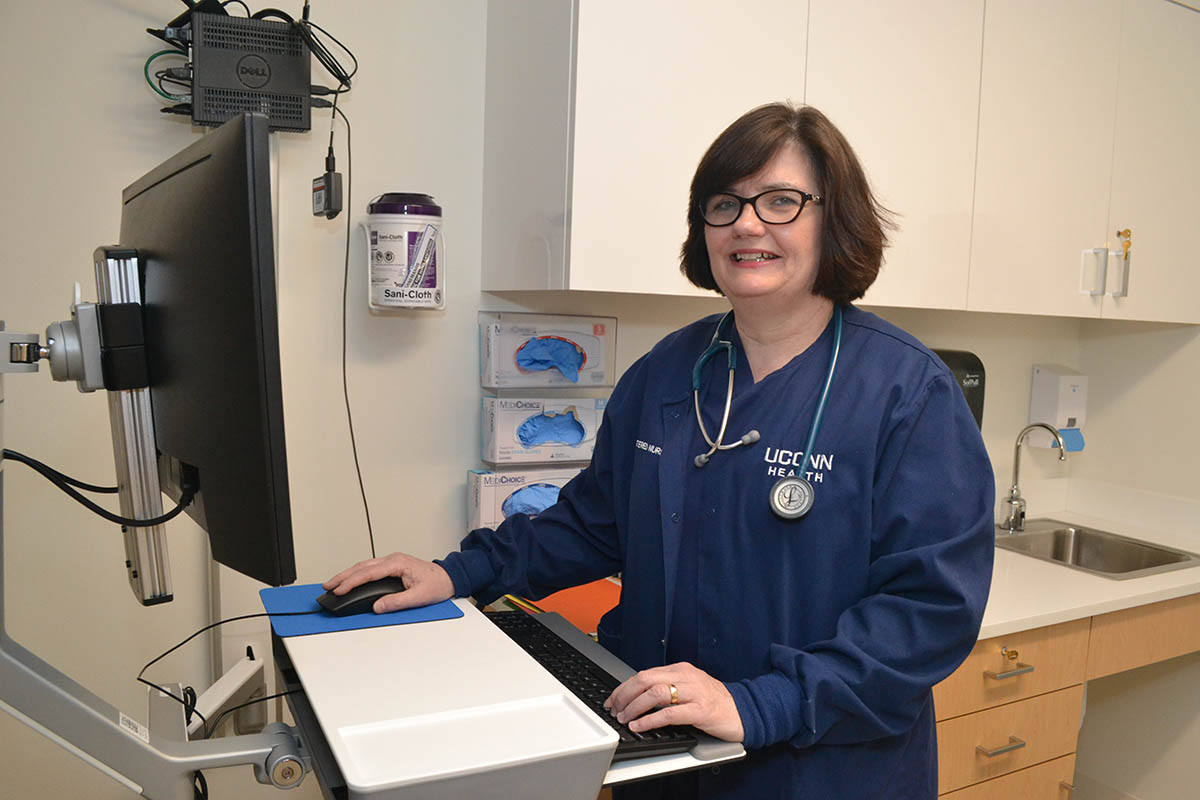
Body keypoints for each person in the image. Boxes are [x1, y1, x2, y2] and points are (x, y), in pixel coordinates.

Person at [324, 103, 995, 799]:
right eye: (724, 203)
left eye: (781, 201)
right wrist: (457, 573)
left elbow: (929, 612)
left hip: (821, 767)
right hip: (663, 753)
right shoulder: (669, 372)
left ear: (834, 218)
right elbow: (593, 523)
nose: (747, 223)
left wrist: (760, 704)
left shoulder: (908, 393)